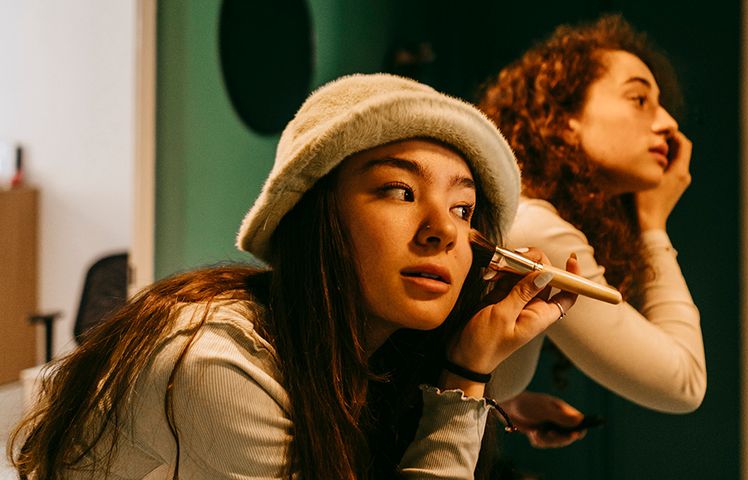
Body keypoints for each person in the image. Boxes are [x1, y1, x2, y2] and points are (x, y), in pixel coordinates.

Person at [8, 73, 579, 479]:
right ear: (317, 217)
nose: (444, 232)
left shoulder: (376, 359)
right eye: (398, 191)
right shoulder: (212, 361)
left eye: (463, 209)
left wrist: (475, 371)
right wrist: (464, 378)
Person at [478, 14, 707, 440]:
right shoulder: (537, 230)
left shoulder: (525, 216)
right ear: (563, 118)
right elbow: (684, 383)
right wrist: (653, 226)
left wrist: (504, 404)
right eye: (639, 100)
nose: (668, 125)